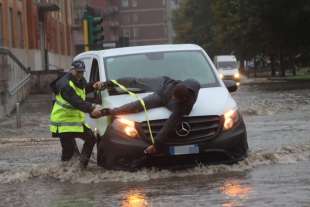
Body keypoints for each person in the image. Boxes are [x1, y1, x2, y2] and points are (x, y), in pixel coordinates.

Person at [101, 76, 201, 154]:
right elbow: (193, 82)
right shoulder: (181, 86)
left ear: (182, 99)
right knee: (138, 99)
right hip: (163, 88)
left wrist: (156, 145)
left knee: (139, 105)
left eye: (175, 98)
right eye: (173, 96)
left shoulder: (182, 107)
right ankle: (108, 105)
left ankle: (108, 111)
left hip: (165, 97)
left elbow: (169, 125)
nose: (173, 98)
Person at [49, 60, 105, 169]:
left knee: (91, 138)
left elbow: (83, 88)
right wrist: (92, 108)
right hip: (63, 123)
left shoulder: (79, 80)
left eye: (82, 72)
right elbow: (76, 101)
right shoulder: (65, 85)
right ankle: (63, 173)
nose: (80, 74)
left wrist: (94, 85)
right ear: (71, 70)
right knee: (68, 152)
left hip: (75, 122)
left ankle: (81, 166)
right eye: (78, 72)